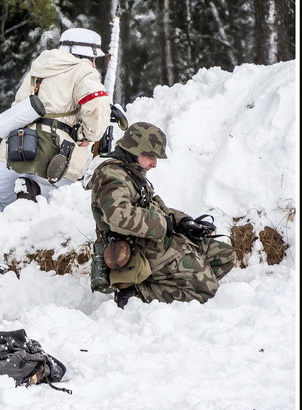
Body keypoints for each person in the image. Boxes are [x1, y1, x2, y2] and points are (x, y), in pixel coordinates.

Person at [0, 27, 111, 220]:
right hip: (54, 155)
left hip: (12, 146)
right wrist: (89, 134)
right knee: (52, 207)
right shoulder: (83, 70)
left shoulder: (41, 65)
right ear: (90, 55)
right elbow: (97, 107)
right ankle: (33, 190)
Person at [86, 122, 237, 308]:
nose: (154, 164)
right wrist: (163, 224)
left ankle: (171, 279)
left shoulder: (131, 172)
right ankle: (136, 292)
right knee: (206, 290)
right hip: (137, 249)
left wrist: (184, 222)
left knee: (225, 256)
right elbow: (118, 216)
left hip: (155, 242)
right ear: (134, 150)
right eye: (150, 157)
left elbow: (153, 205)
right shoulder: (112, 176)